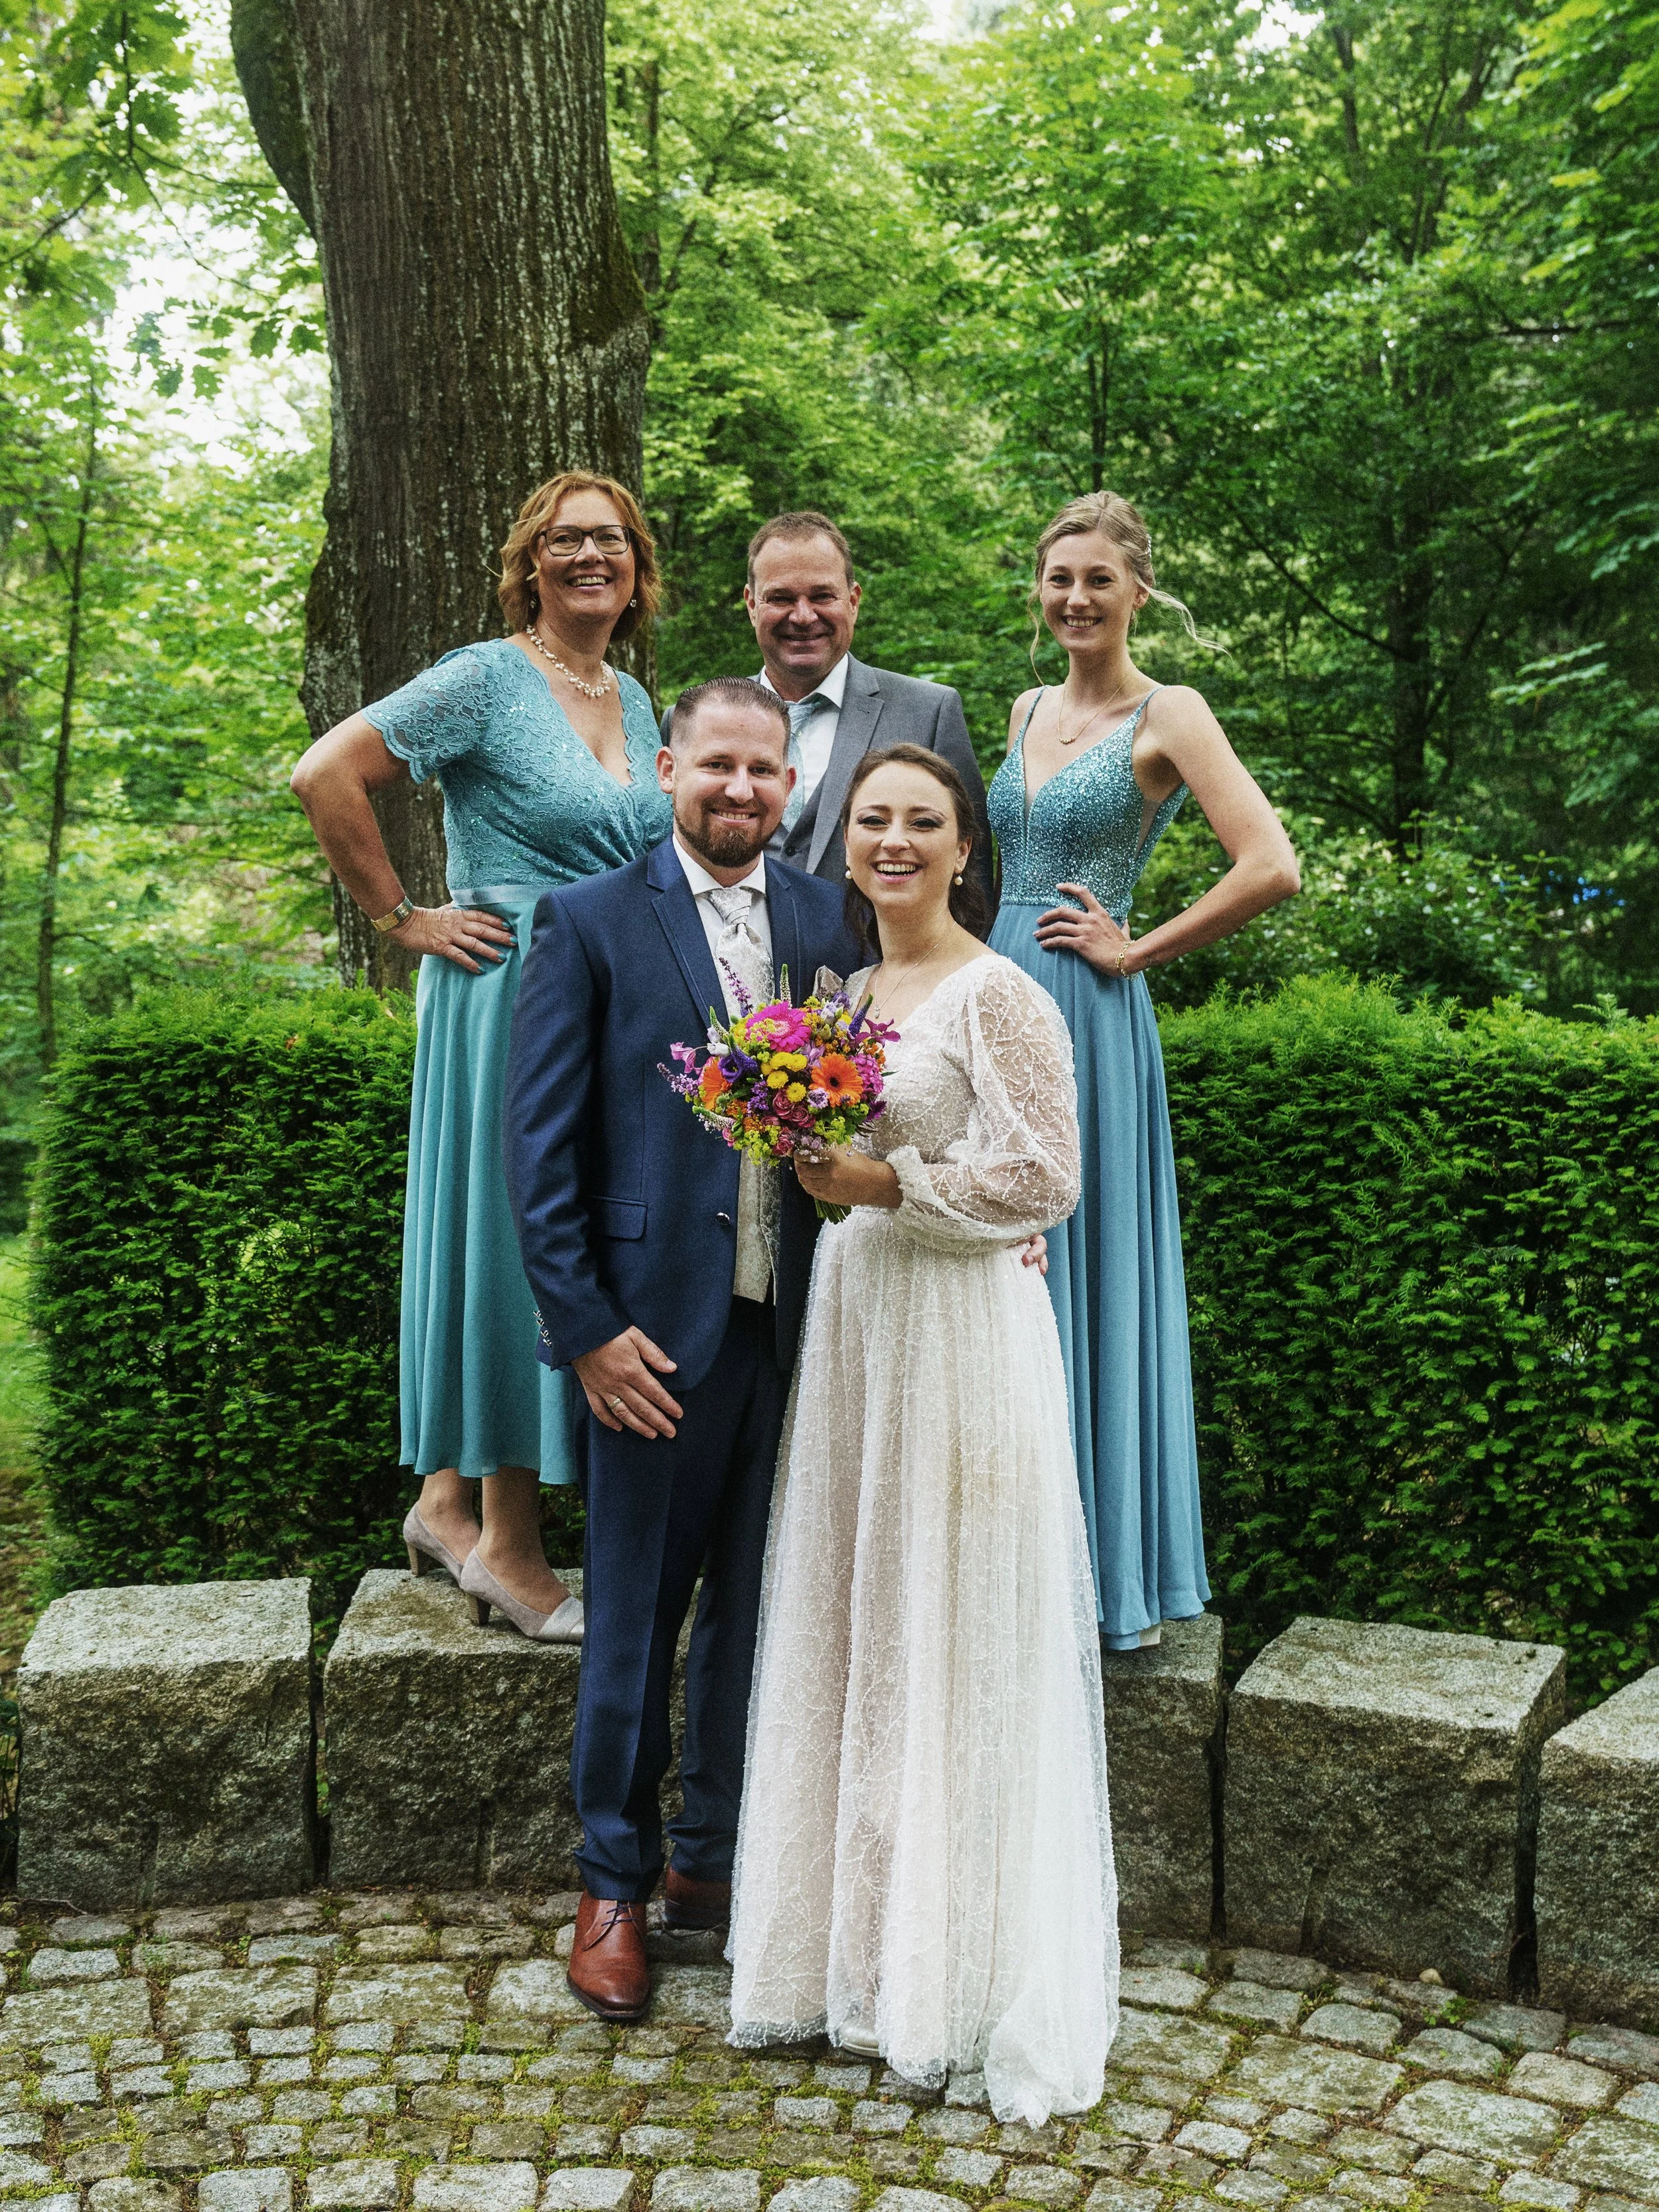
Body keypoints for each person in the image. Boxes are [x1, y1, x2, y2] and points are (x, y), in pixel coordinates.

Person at [727, 743, 1118, 2123]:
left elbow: (1050, 1176)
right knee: (860, 1619)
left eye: (923, 822)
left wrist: (884, 1178)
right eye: (873, 820)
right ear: (845, 846)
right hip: (858, 1316)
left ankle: (954, 1979)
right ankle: (854, 1955)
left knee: (948, 1630)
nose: (894, 840)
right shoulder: (837, 994)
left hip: (959, 1332)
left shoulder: (999, 990)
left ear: (965, 847)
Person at [501, 677, 863, 2022]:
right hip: (648, 1339)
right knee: (637, 1616)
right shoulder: (588, 922)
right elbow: (538, 1159)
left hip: (803, 1333)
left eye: (763, 773)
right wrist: (588, 1331)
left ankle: (713, 1867)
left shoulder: (831, 922)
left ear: (789, 786)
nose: (740, 791)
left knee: (761, 1614)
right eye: (716, 766)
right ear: (669, 769)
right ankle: (610, 1879)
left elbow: (877, 1103)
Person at [289, 471, 672, 1641]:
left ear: (638, 566)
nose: (590, 556)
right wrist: (405, 915)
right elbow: (325, 772)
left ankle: (444, 1502)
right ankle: (509, 1545)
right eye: (566, 541)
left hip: (603, 992)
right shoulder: (483, 677)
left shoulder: (638, 697)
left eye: (610, 539)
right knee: (520, 1233)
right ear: (530, 563)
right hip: (508, 986)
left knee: (559, 1225)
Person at [986, 490, 1300, 1651]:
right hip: (999, 995)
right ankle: (1011, 1560)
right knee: (1001, 1277)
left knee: (1079, 1269)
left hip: (1088, 1006)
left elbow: (1272, 863)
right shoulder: (1022, 705)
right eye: (1058, 577)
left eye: (1098, 581)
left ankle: (1098, 1576)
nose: (1075, 597)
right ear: (1040, 587)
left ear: (1136, 591)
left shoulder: (1172, 711)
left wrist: (1135, 943)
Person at [662, 510, 995, 908]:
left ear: (853, 601)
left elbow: (972, 881)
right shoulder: (691, 722)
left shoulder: (930, 713)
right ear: (751, 605)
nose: (803, 616)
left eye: (822, 596)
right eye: (781, 598)